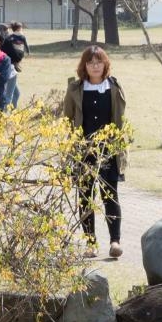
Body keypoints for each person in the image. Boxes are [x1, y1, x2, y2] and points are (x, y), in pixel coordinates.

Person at [63, 46, 129, 259]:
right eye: (90, 62)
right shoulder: (75, 88)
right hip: (83, 151)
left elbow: (119, 119)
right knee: (85, 196)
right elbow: (68, 120)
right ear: (84, 66)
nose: (95, 66)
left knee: (110, 195)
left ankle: (115, 241)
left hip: (108, 150)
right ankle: (90, 243)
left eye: (98, 62)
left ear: (105, 64)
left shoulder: (113, 87)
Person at [0, 22, 27, 108]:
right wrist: (21, 54)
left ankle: (13, 115)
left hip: (5, 71)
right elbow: (15, 56)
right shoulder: (6, 42)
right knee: (8, 97)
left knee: (16, 94)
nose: (8, 33)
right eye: (7, 31)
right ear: (3, 32)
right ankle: (3, 117)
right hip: (8, 72)